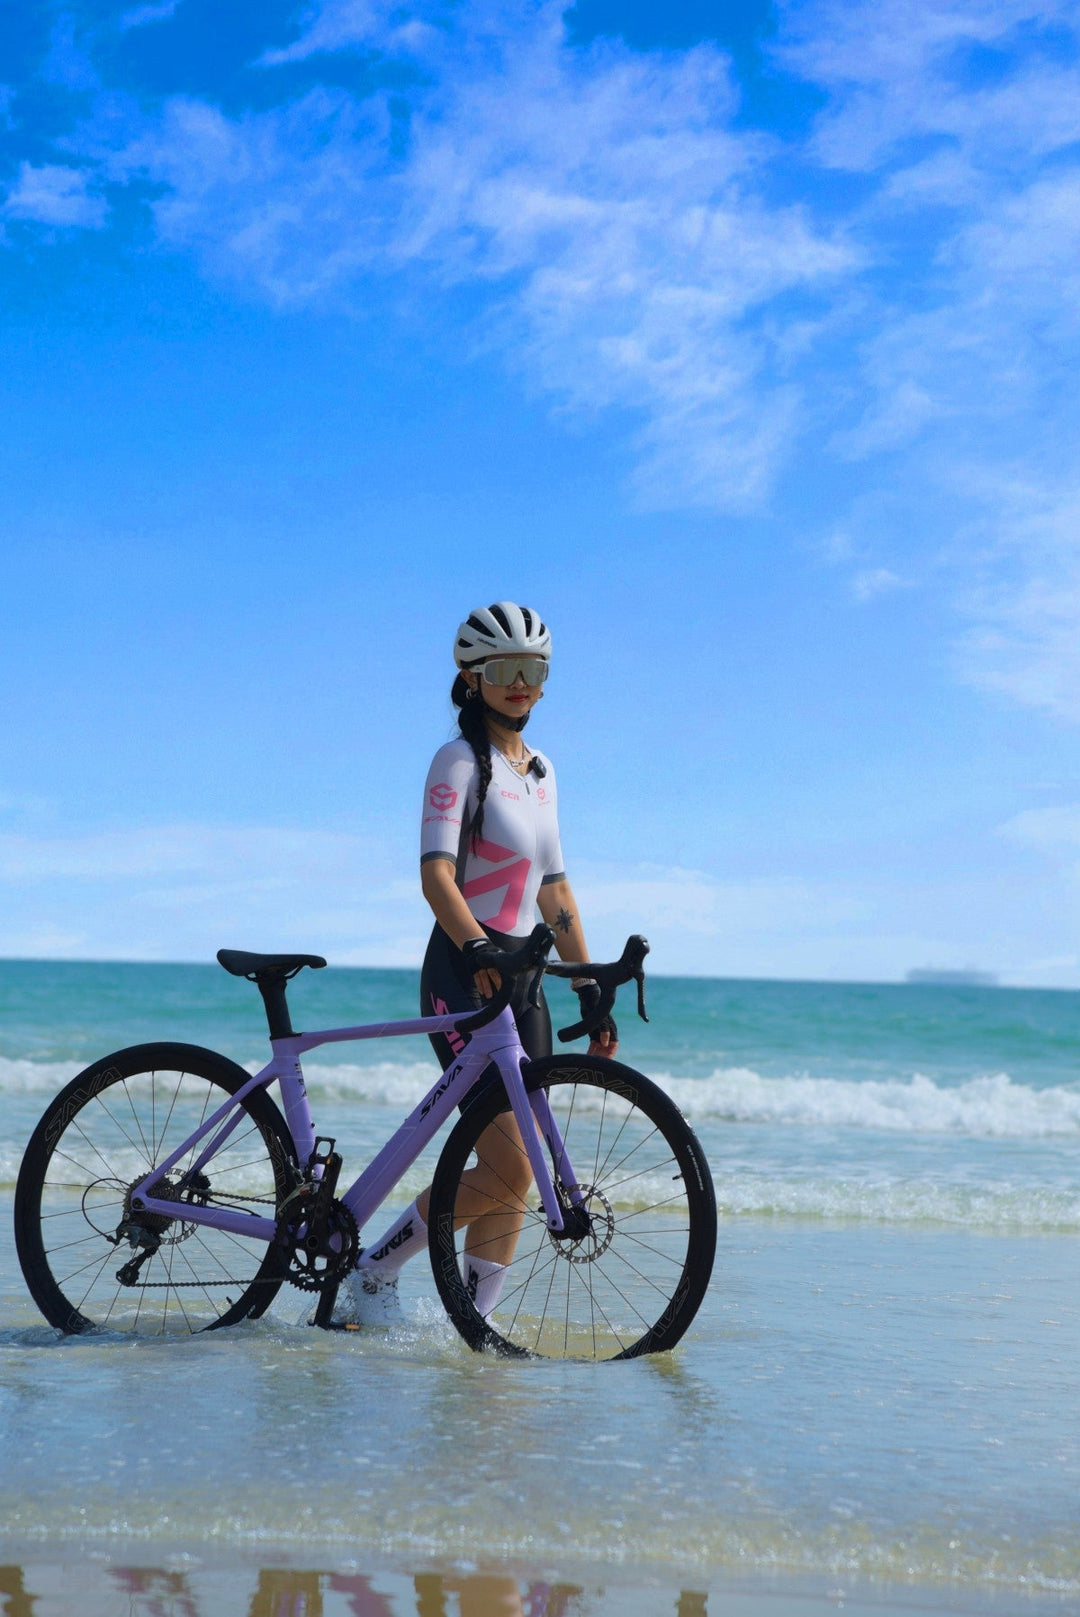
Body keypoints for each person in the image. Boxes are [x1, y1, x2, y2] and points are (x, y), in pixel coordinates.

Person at [334, 601, 616, 1327]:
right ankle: (373, 1268)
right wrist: (476, 946)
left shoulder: (544, 771)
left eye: (537, 670)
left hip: (523, 976)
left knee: (518, 1170)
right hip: (466, 971)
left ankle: (478, 1326)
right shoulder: (459, 761)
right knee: (512, 1163)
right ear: (472, 677)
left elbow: (554, 889)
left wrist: (589, 986)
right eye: (506, 670)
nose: (523, 684)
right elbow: (435, 875)